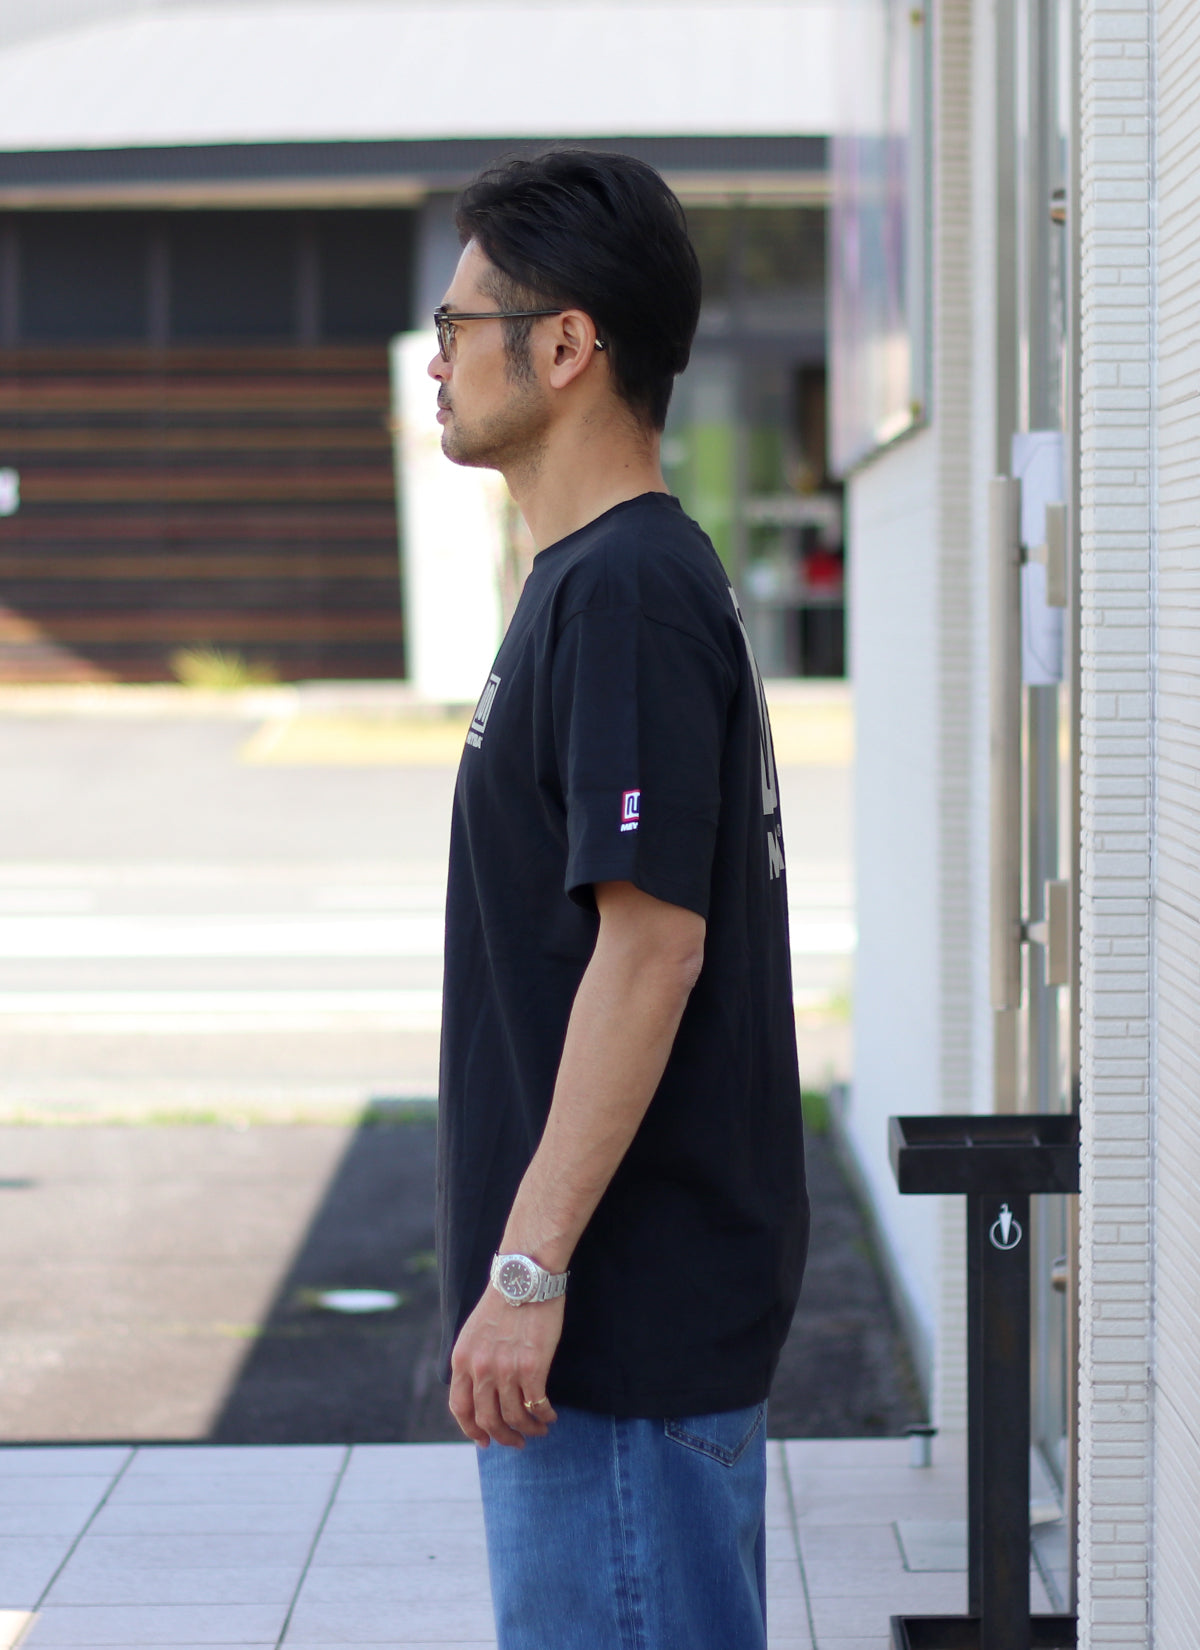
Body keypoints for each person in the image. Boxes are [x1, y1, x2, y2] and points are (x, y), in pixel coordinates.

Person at [432, 149, 809, 1650]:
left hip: (616, 1332)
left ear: (567, 345)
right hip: (603, 1333)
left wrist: (529, 1273)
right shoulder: (595, 581)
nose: (438, 357)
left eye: (461, 323)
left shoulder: (629, 590)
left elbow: (651, 952)